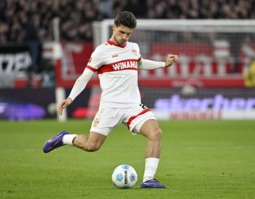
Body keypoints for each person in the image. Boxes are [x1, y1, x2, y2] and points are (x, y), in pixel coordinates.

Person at [43, 11, 178, 188]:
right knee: (92, 146)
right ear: (114, 27)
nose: (124, 37)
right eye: (121, 32)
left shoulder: (133, 47)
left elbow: (139, 63)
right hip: (110, 106)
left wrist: (163, 64)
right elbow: (84, 77)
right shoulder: (101, 52)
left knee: (155, 133)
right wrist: (70, 98)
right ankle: (64, 138)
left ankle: (148, 179)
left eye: (128, 34)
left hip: (132, 106)